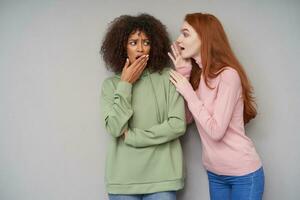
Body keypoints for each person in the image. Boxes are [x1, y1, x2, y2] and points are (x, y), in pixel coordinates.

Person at [168, 13, 264, 200]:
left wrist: (187, 91)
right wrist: (185, 75)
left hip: (244, 175)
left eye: (185, 34)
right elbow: (186, 119)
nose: (178, 39)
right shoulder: (199, 77)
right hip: (215, 174)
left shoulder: (228, 75)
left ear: (204, 37)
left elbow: (216, 131)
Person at [100, 13, 186, 200]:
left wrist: (133, 137)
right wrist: (125, 84)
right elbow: (114, 128)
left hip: (163, 178)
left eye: (146, 42)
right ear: (122, 46)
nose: (140, 48)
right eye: (133, 42)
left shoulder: (168, 78)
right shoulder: (111, 85)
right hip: (123, 180)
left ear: (154, 45)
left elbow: (178, 125)